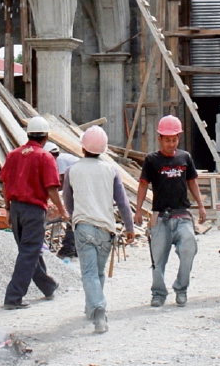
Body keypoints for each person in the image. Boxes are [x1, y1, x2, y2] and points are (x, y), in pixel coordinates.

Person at [62, 126, 135, 334]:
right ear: (103, 148)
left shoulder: (72, 170)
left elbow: (68, 201)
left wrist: (75, 217)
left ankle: (98, 310)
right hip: (106, 230)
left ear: (83, 147)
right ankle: (91, 308)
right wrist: (129, 228)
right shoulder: (110, 170)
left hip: (83, 227)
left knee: (89, 273)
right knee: (98, 272)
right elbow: (122, 203)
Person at [135, 115, 207, 307]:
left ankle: (181, 289)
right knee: (158, 260)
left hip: (182, 215)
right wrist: (139, 210)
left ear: (179, 138)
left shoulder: (185, 158)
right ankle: (158, 293)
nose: (171, 143)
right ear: (159, 138)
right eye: (167, 139)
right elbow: (143, 185)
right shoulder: (151, 160)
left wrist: (200, 205)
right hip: (160, 218)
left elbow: (192, 182)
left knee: (189, 249)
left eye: (174, 139)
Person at [0, 116, 67, 309]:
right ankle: (13, 297)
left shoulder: (13, 155)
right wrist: (62, 210)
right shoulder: (45, 157)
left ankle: (48, 286)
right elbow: (52, 189)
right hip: (34, 211)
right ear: (45, 137)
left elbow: (5, 184)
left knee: (30, 251)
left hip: (16, 208)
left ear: (28, 134)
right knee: (29, 253)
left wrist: (8, 209)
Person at [44, 140, 80, 257]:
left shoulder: (60, 161)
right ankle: (73, 247)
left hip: (79, 186)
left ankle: (69, 246)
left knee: (73, 215)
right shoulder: (56, 161)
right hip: (76, 186)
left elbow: (61, 182)